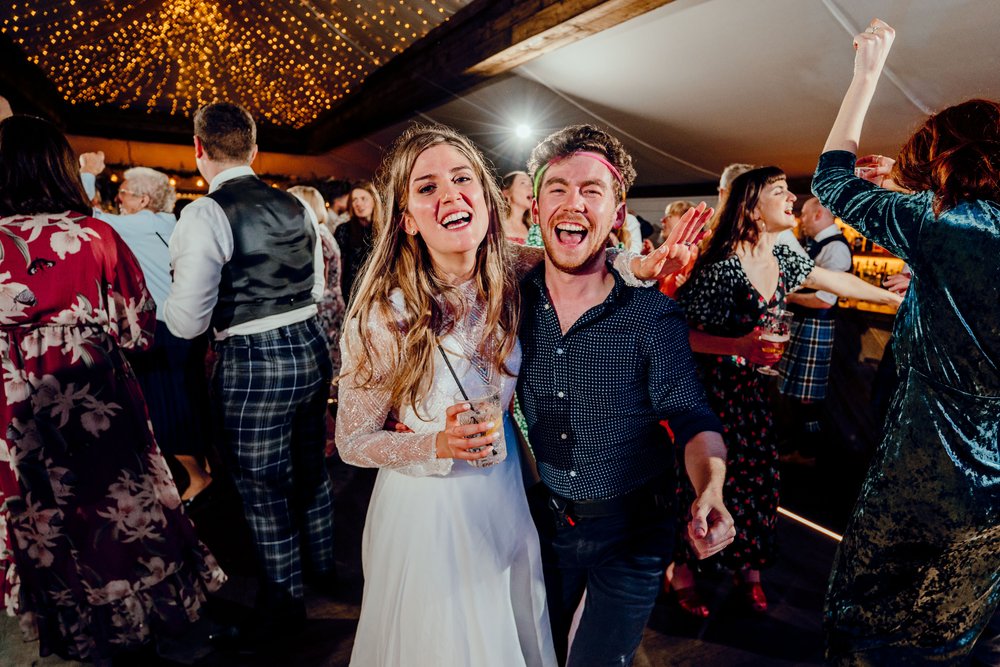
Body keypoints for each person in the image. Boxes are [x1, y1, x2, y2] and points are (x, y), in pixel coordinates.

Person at [0, 113, 225, 664]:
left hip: (13, 406)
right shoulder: (95, 236)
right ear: (58, 166)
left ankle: (79, 635)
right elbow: (138, 327)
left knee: (42, 517)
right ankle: (154, 626)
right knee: (119, 509)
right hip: (94, 393)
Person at [336, 125, 557, 666]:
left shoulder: (515, 275)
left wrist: (640, 267)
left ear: (485, 198)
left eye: (462, 179)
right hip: (430, 518)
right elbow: (351, 442)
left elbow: (588, 267)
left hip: (503, 497)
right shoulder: (385, 316)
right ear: (407, 219)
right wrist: (436, 444)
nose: (450, 194)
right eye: (427, 187)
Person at [815, 19, 1000, 663]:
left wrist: (866, 75)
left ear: (945, 160)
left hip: (928, 464)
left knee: (881, 627)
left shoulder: (937, 223)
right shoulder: (952, 222)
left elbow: (833, 181)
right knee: (967, 623)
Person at [519, 124, 735, 666]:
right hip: (537, 523)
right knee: (534, 654)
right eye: (559, 188)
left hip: (633, 532)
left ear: (617, 213)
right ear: (536, 205)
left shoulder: (650, 314)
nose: (574, 203)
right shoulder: (510, 299)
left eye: (592, 190)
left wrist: (710, 489)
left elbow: (693, 418)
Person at [671, 165, 901, 617]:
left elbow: (833, 281)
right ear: (752, 205)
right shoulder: (719, 266)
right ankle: (683, 572)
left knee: (758, 481)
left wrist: (895, 300)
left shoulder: (783, 258)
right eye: (780, 191)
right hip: (709, 395)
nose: (793, 199)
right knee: (700, 483)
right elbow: (680, 336)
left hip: (753, 392)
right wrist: (737, 345)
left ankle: (749, 570)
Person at [163, 102, 335, 637]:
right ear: (254, 150)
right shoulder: (296, 205)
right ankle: (323, 570)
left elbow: (188, 322)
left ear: (198, 150)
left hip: (254, 359)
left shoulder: (203, 213)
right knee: (310, 470)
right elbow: (317, 289)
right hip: (310, 344)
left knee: (262, 490)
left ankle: (283, 608)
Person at [78, 152, 214, 501]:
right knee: (189, 396)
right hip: (190, 325)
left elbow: (82, 215)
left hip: (162, 327)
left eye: (123, 192)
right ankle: (205, 469)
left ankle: (196, 477)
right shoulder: (170, 222)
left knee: (166, 404)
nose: (118, 197)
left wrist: (88, 174)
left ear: (143, 199)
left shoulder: (140, 223)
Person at [778, 196, 853, 465]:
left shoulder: (836, 248)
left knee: (808, 398)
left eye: (806, 215)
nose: (802, 221)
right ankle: (795, 447)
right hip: (806, 325)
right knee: (796, 395)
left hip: (817, 325)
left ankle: (809, 452)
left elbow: (824, 299)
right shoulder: (818, 245)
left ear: (819, 214)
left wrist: (788, 297)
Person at [288, 185, 347, 417]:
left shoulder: (317, 236)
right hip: (329, 305)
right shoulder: (319, 231)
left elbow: (317, 282)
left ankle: (328, 429)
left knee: (324, 368)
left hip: (324, 308)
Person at [334, 180, 381, 304]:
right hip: (352, 294)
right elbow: (339, 266)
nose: (358, 203)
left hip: (380, 293)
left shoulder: (386, 228)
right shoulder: (344, 230)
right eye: (354, 200)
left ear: (374, 200)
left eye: (363, 198)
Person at [501, 170, 535, 243]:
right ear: (506, 192)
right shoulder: (495, 225)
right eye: (523, 183)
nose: (531, 188)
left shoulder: (533, 230)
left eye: (531, 184)